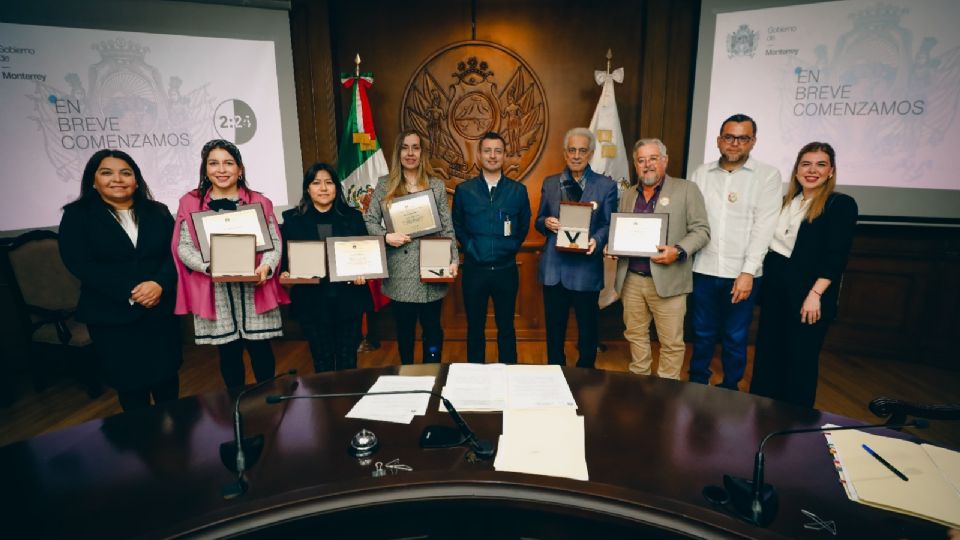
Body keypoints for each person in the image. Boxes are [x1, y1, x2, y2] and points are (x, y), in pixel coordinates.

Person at [59, 149, 181, 411]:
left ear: (136, 180)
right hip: (111, 316)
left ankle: (177, 445)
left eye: (126, 173)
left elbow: (175, 253)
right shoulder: (77, 215)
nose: (118, 178)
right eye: (107, 172)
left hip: (159, 311)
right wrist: (131, 291)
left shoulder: (158, 211)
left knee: (168, 385)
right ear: (93, 181)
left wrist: (159, 284)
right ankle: (143, 444)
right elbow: (79, 263)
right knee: (131, 390)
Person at [172, 139, 289, 388]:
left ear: (240, 169)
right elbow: (183, 246)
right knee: (228, 353)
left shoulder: (260, 201)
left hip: (253, 289)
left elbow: (275, 244)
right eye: (213, 163)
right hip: (216, 291)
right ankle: (235, 404)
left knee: (261, 351)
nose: (221, 170)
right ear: (205, 169)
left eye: (228, 163)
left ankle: (268, 401)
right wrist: (207, 267)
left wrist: (266, 266)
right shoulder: (190, 203)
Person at [750, 142, 857, 408]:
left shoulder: (839, 204)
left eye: (820, 164)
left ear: (831, 171)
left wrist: (815, 295)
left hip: (809, 295)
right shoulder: (787, 201)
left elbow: (836, 256)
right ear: (797, 169)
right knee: (769, 357)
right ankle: (762, 421)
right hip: (776, 291)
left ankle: (794, 426)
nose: (812, 170)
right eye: (806, 164)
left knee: (800, 362)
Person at [688, 114, 782, 390]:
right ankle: (696, 382)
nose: (735, 143)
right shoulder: (700, 174)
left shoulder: (768, 176)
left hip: (742, 273)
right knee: (702, 332)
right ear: (719, 140)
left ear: (753, 142)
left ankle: (731, 386)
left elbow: (764, 227)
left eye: (743, 138)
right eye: (729, 137)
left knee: (735, 335)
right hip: (703, 268)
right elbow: (691, 220)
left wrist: (747, 272)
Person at [610, 138, 710, 379]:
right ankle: (639, 382)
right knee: (635, 335)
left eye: (653, 159)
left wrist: (678, 250)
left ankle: (667, 392)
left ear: (664, 161)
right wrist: (614, 246)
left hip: (669, 279)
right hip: (631, 279)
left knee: (672, 343)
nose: (647, 165)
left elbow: (702, 230)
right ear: (635, 165)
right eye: (641, 160)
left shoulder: (687, 189)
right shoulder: (628, 195)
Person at [364, 130, 458, 365]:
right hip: (400, 271)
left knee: (432, 328)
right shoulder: (385, 185)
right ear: (398, 152)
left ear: (422, 152)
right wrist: (386, 237)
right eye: (405, 147)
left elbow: (447, 228)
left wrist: (453, 260)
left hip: (431, 267)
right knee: (404, 330)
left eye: (415, 147)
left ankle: (433, 371)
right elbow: (368, 220)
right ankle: (406, 373)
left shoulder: (435, 186)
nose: (410, 153)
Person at [534, 127, 618, 368]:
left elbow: (607, 224)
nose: (576, 155)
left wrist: (598, 240)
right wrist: (546, 223)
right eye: (572, 150)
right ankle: (554, 370)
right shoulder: (551, 183)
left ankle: (586, 374)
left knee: (588, 328)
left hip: (586, 269)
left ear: (591, 154)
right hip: (554, 270)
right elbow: (539, 220)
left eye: (582, 150)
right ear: (565, 153)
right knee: (554, 329)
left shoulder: (606, 186)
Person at [280, 163, 372, 372]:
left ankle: (348, 403)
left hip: (349, 300)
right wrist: (287, 272)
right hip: (312, 302)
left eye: (329, 183)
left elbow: (365, 256)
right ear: (307, 188)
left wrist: (363, 273)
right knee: (322, 362)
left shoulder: (353, 217)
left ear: (336, 188)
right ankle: (325, 404)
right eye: (316, 183)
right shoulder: (292, 220)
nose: (323, 188)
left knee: (348, 360)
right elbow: (286, 259)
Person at [452, 131, 531, 364]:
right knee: (475, 327)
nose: (492, 156)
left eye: (498, 151)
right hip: (475, 270)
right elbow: (457, 225)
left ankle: (510, 374)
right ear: (479, 155)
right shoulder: (465, 190)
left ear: (505, 155)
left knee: (506, 326)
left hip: (506, 270)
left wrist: (511, 246)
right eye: (487, 151)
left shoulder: (518, 191)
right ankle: (475, 378)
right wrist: (471, 248)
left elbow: (523, 226)